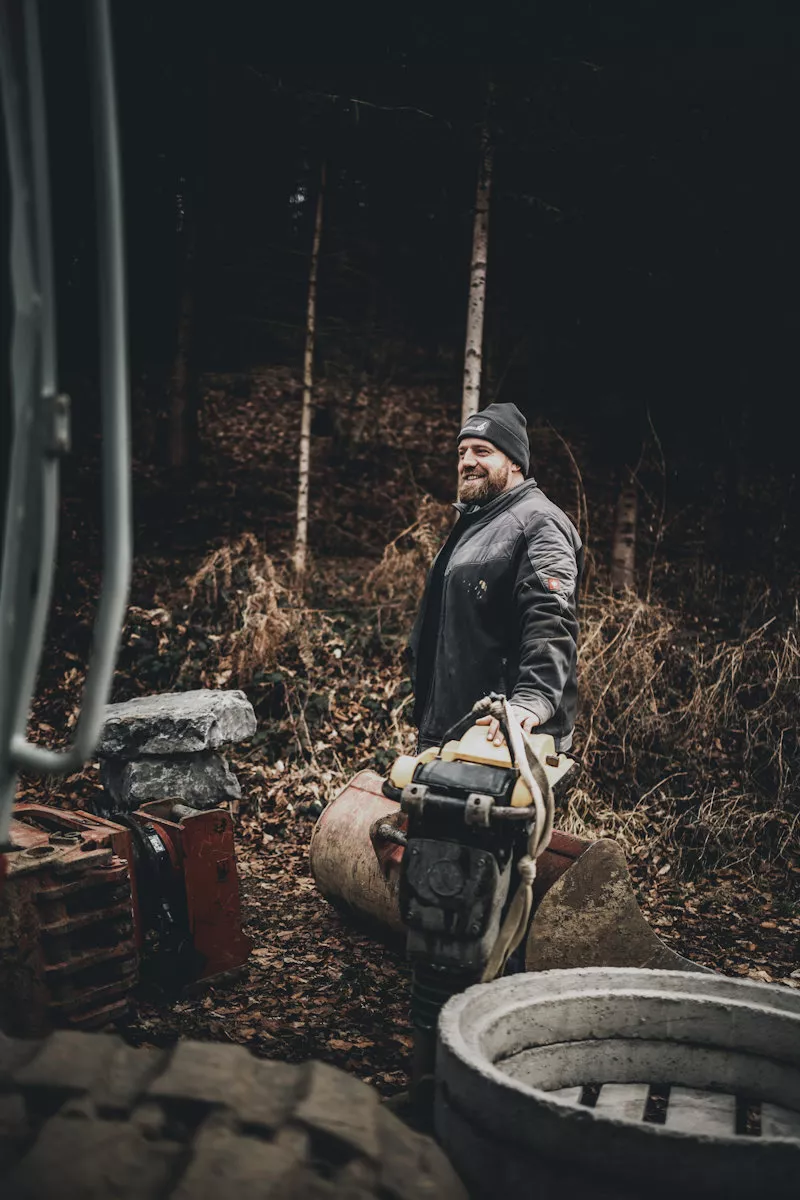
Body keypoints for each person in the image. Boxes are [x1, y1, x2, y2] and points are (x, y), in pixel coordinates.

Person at [408, 402, 583, 753]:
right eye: (462, 452)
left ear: (515, 461)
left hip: (505, 735)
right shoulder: (477, 524)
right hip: (454, 731)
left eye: (482, 451)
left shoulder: (538, 522)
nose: (467, 461)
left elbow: (551, 619)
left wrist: (531, 700)